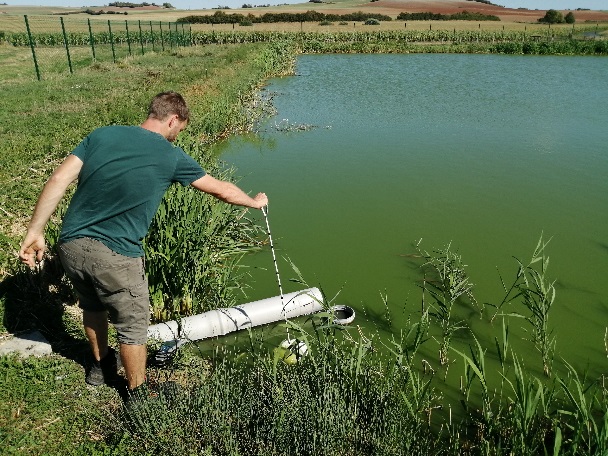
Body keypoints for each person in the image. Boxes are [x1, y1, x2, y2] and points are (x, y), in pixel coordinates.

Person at [19, 91, 268, 394]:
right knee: (133, 326)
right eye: (180, 130)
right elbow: (222, 190)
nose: (177, 137)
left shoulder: (103, 135)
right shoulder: (169, 155)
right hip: (116, 254)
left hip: (70, 244)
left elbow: (58, 180)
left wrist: (35, 231)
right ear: (173, 120)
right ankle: (137, 395)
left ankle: (100, 368)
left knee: (92, 306)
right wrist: (253, 203)